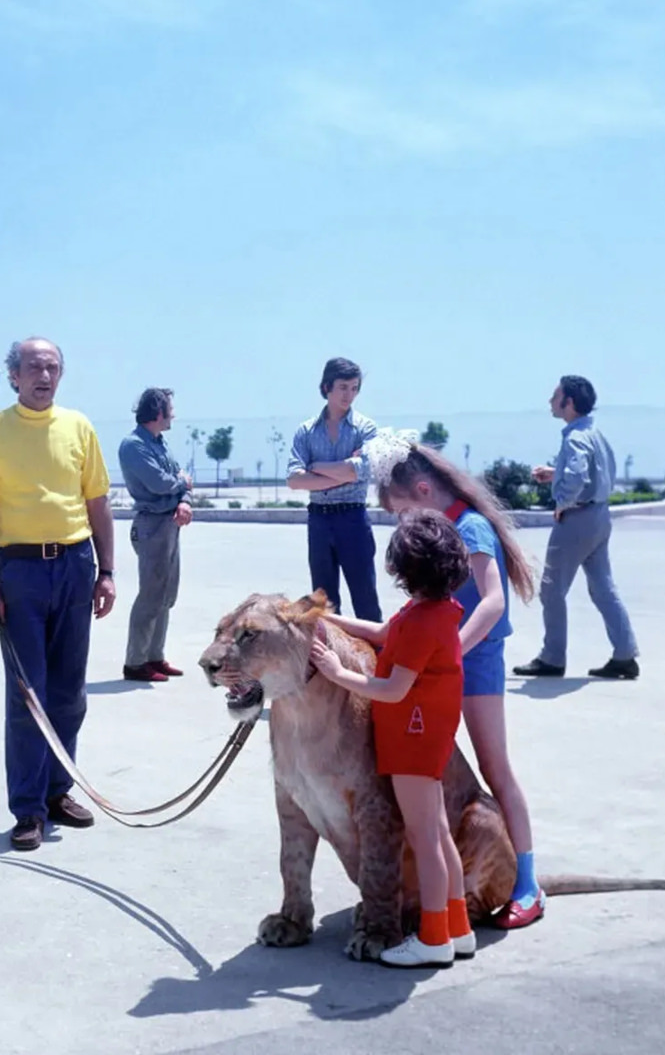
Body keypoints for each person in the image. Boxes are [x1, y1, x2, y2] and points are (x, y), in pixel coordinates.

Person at [327, 431, 544, 928]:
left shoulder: (468, 529)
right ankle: (447, 898)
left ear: (423, 492)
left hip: (477, 663)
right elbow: (394, 631)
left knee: (495, 769)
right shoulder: (442, 532)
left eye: (401, 512)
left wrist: (448, 653)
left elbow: (492, 601)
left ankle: (527, 882)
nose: (402, 523)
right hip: (446, 666)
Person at [0, 337, 116, 852]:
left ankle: (57, 792)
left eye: (52, 368)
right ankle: (27, 809)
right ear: (14, 376)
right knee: (27, 695)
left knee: (70, 693)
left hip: (75, 565)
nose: (43, 376)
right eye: (33, 368)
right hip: (22, 572)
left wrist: (107, 571)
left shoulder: (79, 427)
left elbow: (97, 504)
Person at [309, 510, 475, 969]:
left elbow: (393, 689)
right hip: (427, 732)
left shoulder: (424, 621)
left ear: (405, 570)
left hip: (414, 736)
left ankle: (434, 937)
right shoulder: (432, 610)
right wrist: (328, 619)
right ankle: (458, 929)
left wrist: (339, 674)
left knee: (424, 838)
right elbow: (383, 634)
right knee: (438, 832)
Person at [514, 375, 640, 680]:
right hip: (599, 517)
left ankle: (553, 658)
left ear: (568, 402)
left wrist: (562, 502)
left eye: (555, 395)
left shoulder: (574, 438)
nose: (550, 401)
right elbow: (595, 471)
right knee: (602, 587)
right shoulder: (593, 433)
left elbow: (578, 475)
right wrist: (555, 473)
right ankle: (625, 654)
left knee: (551, 590)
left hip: (577, 519)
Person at [286, 356, 381, 622]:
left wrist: (316, 467)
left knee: (365, 598)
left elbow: (361, 470)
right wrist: (344, 473)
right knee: (323, 601)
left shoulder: (366, 428)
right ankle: (328, 659)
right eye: (342, 387)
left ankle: (376, 659)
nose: (348, 395)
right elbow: (294, 479)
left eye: (354, 388)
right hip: (319, 519)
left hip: (353, 518)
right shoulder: (306, 431)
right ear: (327, 386)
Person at [118, 388, 193, 683]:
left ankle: (154, 656)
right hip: (152, 527)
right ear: (158, 412)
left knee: (166, 595)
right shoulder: (133, 446)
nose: (173, 415)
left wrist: (185, 501)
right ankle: (135, 663)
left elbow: (181, 480)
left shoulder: (160, 445)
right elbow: (159, 483)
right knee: (151, 595)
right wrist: (181, 483)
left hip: (171, 524)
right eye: (170, 409)